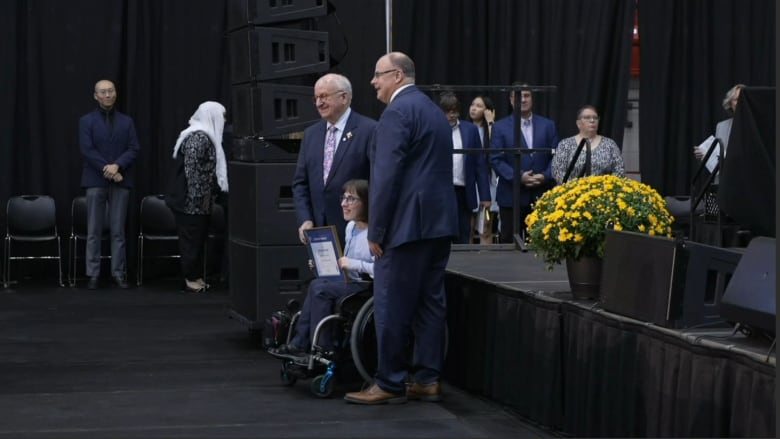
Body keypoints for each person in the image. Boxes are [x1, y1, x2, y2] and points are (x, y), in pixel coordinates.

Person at [343, 52, 458, 405]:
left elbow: (386, 176)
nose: (373, 83)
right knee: (430, 304)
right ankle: (426, 378)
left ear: (396, 75)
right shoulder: (434, 112)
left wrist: (376, 230)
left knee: (390, 302)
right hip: (438, 226)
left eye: (377, 76)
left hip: (405, 228)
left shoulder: (396, 112)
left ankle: (389, 381)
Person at [269, 179, 373, 359]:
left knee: (320, 288)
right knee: (317, 283)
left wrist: (353, 264)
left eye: (351, 199)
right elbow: (345, 264)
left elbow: (381, 269)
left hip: (366, 285)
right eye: (344, 198)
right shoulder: (351, 228)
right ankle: (301, 342)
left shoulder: (373, 234)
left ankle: (321, 348)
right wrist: (323, 265)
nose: (344, 204)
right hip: (349, 279)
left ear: (366, 202)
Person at [292, 73, 376, 245]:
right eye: (315, 98)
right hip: (319, 233)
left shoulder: (370, 130)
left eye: (324, 96)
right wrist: (305, 219)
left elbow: (377, 182)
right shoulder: (311, 134)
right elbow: (300, 184)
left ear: (344, 97)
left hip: (358, 233)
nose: (318, 103)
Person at [79, 79, 140, 289]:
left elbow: (134, 148)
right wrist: (109, 170)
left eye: (111, 91)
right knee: (94, 229)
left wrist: (118, 166)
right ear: (95, 96)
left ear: (115, 94)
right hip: (95, 180)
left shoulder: (127, 121)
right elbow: (87, 150)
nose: (107, 95)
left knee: (118, 230)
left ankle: (118, 272)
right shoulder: (86, 121)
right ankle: (93, 273)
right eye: (103, 92)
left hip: (121, 181)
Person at [165, 101, 229, 293]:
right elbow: (193, 174)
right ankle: (189, 279)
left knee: (197, 240)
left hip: (200, 201)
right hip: (190, 202)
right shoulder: (198, 137)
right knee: (191, 241)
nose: (224, 120)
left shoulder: (204, 136)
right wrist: (198, 202)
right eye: (222, 116)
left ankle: (194, 275)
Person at [489, 82, 559, 244]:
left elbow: (557, 157)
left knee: (541, 246)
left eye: (527, 96)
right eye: (519, 96)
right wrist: (519, 176)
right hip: (511, 196)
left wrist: (544, 175)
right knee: (508, 245)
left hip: (541, 195)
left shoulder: (548, 125)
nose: (523, 100)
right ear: (512, 100)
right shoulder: (500, 127)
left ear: (532, 99)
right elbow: (495, 159)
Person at [438, 92, 491, 244]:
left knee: (463, 233)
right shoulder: (436, 129)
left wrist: (485, 196)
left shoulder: (470, 130)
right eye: (448, 111)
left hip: (464, 191)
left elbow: (480, 164)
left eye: (455, 111)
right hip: (442, 190)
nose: (452, 115)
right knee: (443, 234)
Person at [551, 105, 625, 184]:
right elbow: (557, 171)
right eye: (587, 117)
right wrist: (577, 187)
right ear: (578, 123)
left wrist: (604, 187)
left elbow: (619, 170)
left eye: (595, 118)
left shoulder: (610, 144)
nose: (592, 120)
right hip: (572, 192)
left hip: (604, 192)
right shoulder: (565, 144)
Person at [468, 95, 499, 244]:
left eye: (479, 106)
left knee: (486, 227)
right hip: (469, 181)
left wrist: (490, 122)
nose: (474, 108)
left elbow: (496, 148)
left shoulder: (492, 129)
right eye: (473, 104)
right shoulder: (464, 129)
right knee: (468, 226)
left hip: (487, 182)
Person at [693, 84, 746, 171]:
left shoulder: (756, 125)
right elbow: (716, 159)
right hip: (725, 178)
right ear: (730, 103)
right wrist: (705, 156)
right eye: (736, 99)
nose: (740, 102)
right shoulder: (721, 126)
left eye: (743, 99)